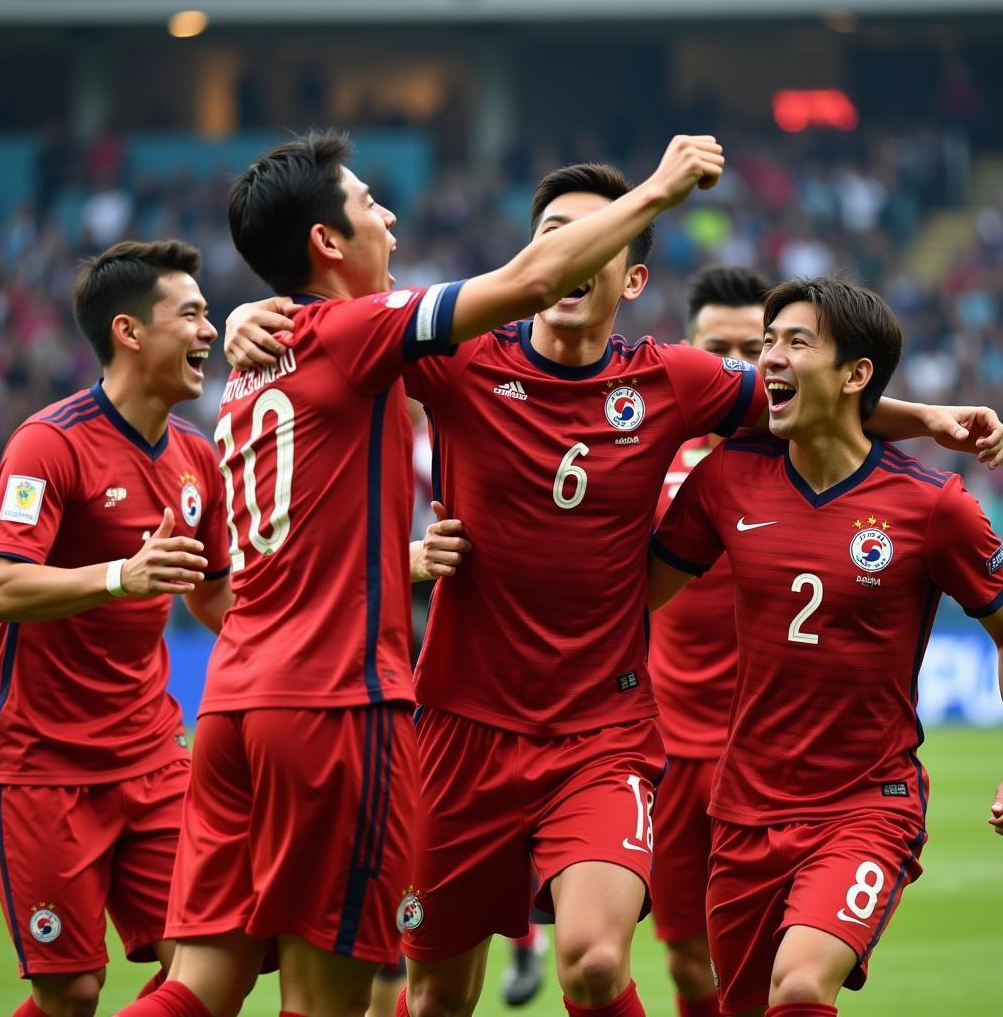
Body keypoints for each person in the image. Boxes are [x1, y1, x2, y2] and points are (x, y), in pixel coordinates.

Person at [225, 162, 1003, 1017]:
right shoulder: (456, 357)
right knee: (438, 991)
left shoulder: (671, 379)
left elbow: (808, 400)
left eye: (586, 237)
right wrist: (249, 314)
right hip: (459, 726)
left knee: (596, 964)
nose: (563, 250)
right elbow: (336, 336)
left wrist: (926, 418)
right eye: (550, 232)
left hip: (602, 730)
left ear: (629, 276)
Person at [117, 128, 729, 1017]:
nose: (390, 214)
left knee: (198, 987)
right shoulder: (371, 334)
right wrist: (662, 189)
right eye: (369, 202)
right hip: (336, 711)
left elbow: (246, 566)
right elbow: (525, 284)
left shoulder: (265, 361)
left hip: (232, 704)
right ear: (326, 240)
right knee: (327, 998)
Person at [648, 276, 1003, 1017]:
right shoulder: (726, 480)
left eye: (791, 342)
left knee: (802, 984)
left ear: (855, 374)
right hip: (742, 811)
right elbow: (629, 600)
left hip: (866, 805)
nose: (767, 359)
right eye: (764, 342)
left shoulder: (934, 508)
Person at [0, 239, 232, 1017]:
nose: (208, 332)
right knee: (73, 991)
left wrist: (376, 580)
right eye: (190, 314)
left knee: (219, 953)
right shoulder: (48, 443)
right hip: (41, 766)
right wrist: (122, 574)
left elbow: (218, 599)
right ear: (129, 332)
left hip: (153, 756)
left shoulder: (198, 459)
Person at [648, 265, 767, 1017]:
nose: (738, 366)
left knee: (775, 964)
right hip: (661, 748)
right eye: (718, 348)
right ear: (691, 354)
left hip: (768, 752)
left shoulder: (805, 461)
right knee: (689, 956)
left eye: (753, 348)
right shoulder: (645, 455)